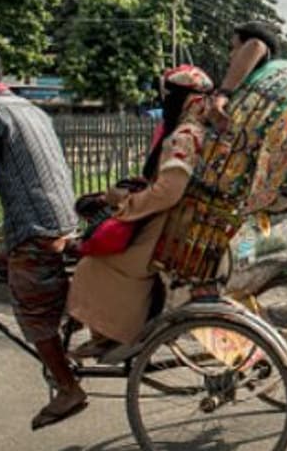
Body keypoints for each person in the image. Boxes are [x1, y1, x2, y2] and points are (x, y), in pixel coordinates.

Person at [67, 65, 215, 358]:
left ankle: (111, 334)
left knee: (93, 264)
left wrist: (125, 203)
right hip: (179, 221)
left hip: (161, 229)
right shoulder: (202, 132)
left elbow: (167, 193)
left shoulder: (184, 137)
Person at [0, 45, 86, 429]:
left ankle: (67, 386)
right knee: (0, 262)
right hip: (62, 219)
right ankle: (63, 332)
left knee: (31, 312)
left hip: (35, 231)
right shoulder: (29, 108)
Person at [209, 20, 280, 129]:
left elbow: (256, 45)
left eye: (235, 48)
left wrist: (223, 96)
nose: (231, 54)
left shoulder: (256, 46)